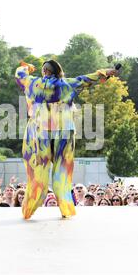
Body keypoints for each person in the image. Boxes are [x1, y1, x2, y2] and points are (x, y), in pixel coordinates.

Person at [15, 60, 117, 219]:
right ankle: (65, 208)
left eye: (44, 70)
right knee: (62, 172)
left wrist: (27, 67)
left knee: (37, 174)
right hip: (63, 131)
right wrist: (105, 72)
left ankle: (29, 207)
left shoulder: (34, 83)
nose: (45, 72)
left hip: (40, 131)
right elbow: (85, 79)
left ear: (45, 72)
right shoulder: (65, 84)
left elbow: (20, 75)